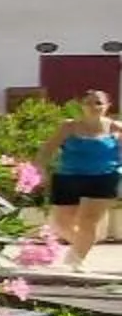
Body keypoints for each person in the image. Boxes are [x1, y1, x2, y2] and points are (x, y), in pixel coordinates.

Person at [46, 87, 120, 270]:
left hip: (103, 177)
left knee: (89, 221)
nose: (94, 106)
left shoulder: (116, 128)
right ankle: (82, 243)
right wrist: (40, 170)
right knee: (61, 223)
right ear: (82, 106)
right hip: (68, 177)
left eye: (98, 103)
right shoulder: (68, 126)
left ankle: (76, 259)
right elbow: (47, 150)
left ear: (107, 106)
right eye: (89, 103)